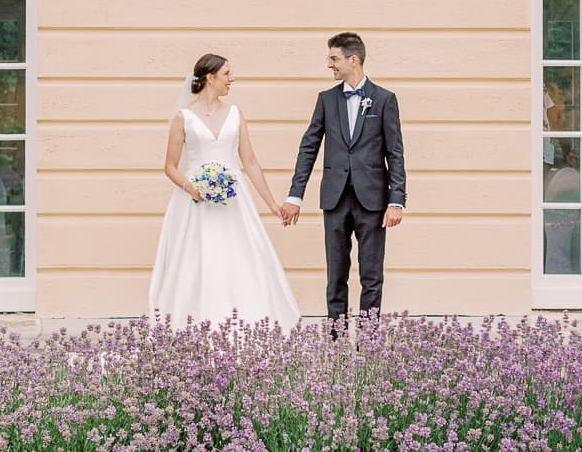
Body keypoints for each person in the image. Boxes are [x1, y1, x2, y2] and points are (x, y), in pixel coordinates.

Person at [149, 52, 300, 331]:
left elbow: (250, 162)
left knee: (242, 256)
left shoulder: (235, 113)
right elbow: (170, 166)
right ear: (210, 77)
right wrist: (192, 188)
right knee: (198, 259)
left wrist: (271, 204)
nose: (232, 79)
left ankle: (248, 320)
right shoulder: (184, 118)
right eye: (227, 74)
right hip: (196, 203)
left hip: (234, 200)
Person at [281, 32, 406, 325]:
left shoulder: (384, 99)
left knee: (372, 275)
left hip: (373, 200)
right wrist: (294, 196)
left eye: (334, 58)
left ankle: (368, 343)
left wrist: (396, 200)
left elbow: (395, 152)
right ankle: (335, 342)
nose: (330, 65)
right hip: (335, 199)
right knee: (335, 274)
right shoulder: (326, 100)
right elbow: (308, 147)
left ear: (353, 60)